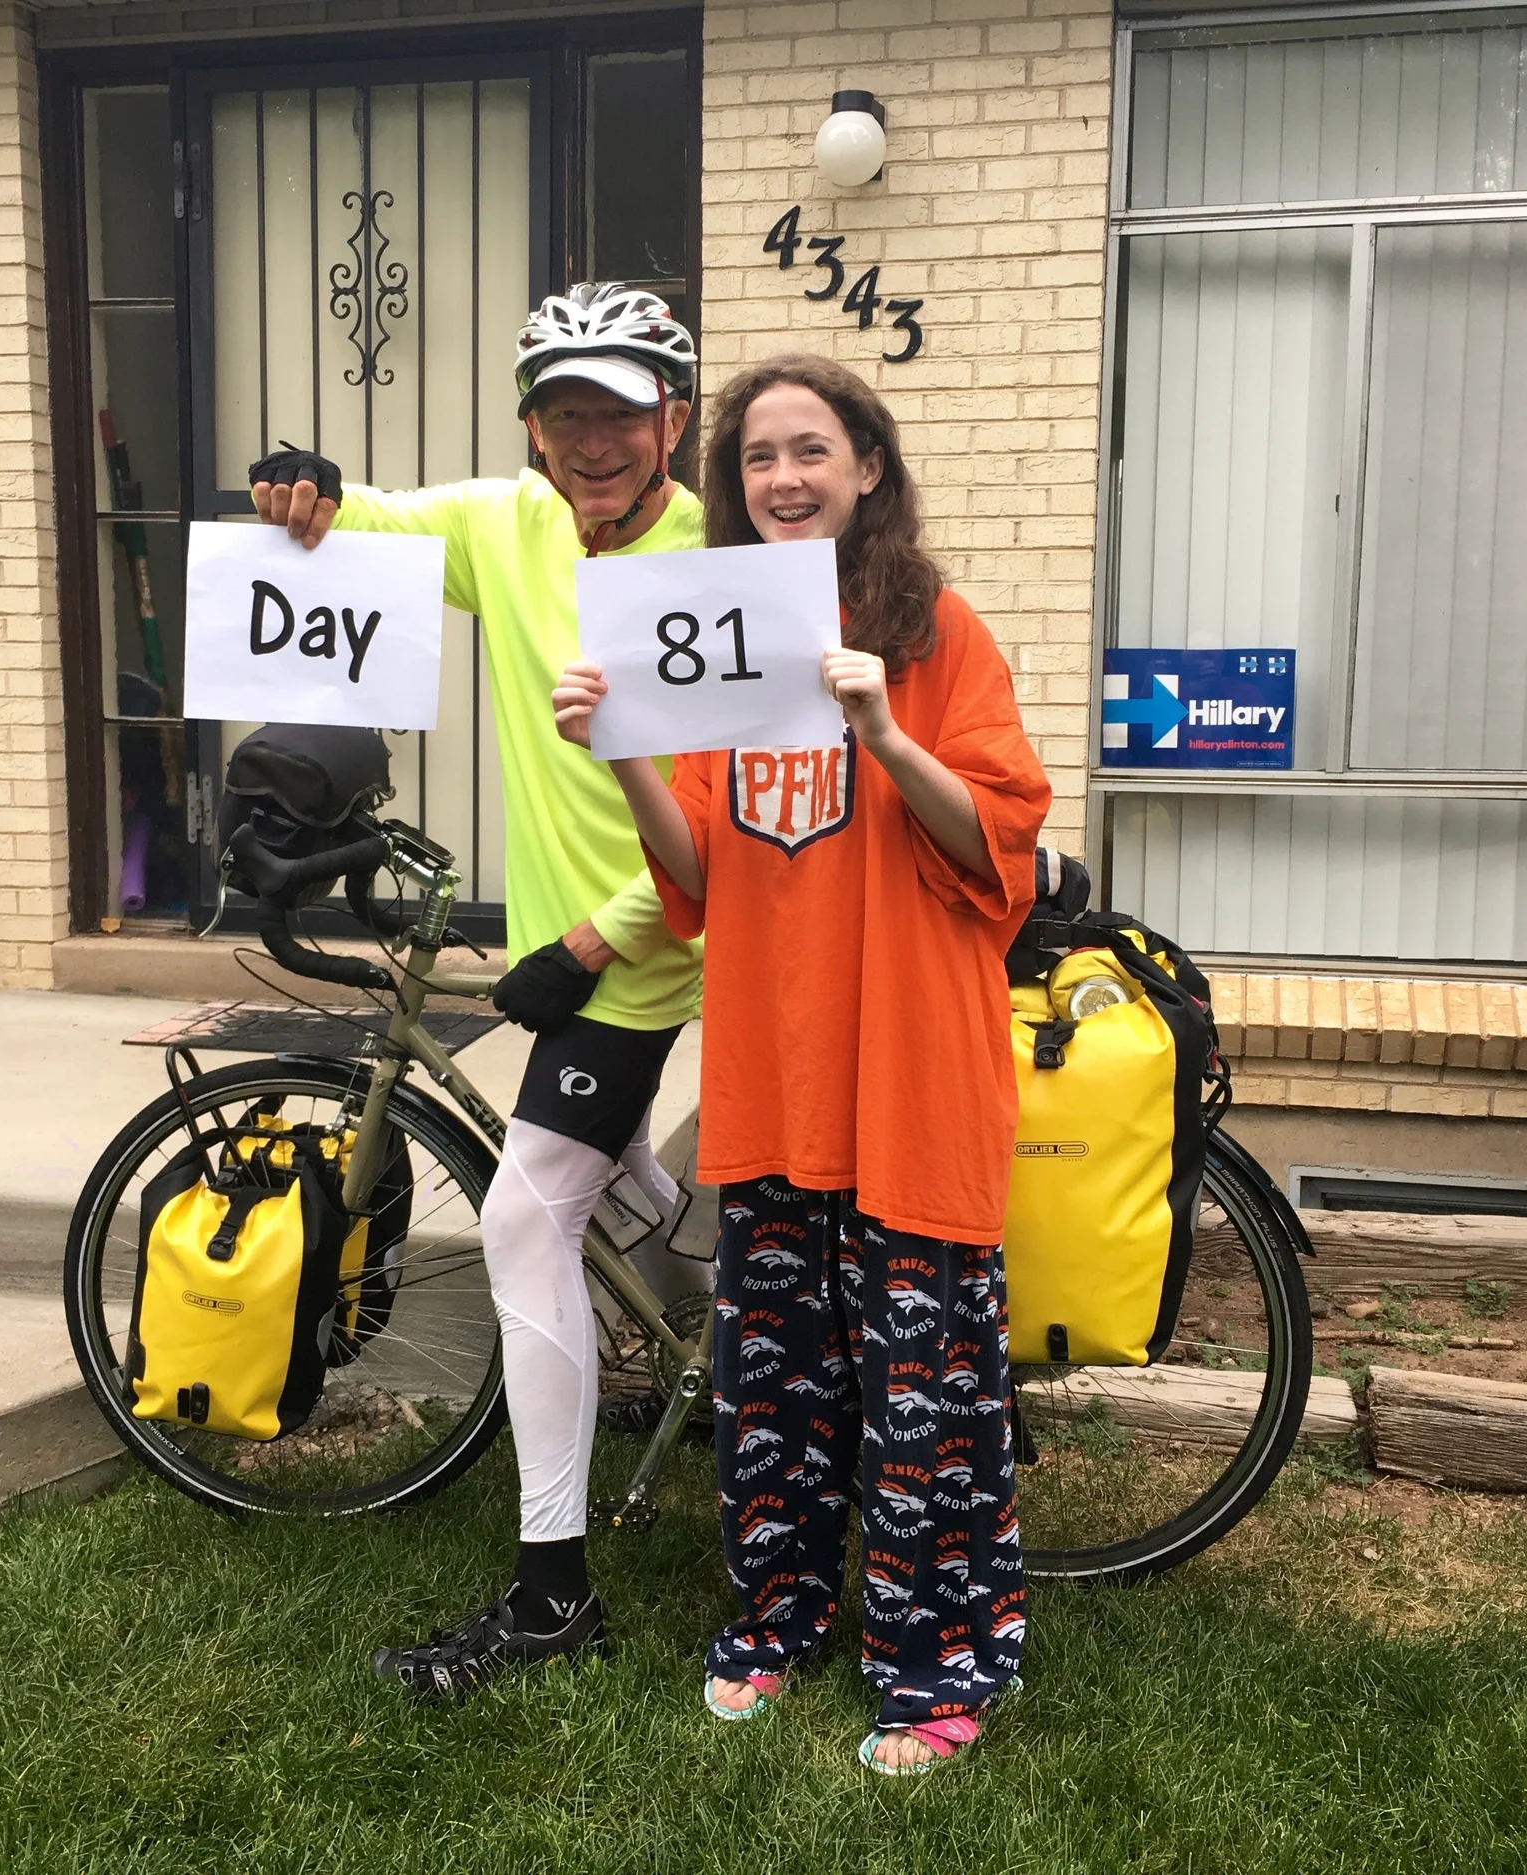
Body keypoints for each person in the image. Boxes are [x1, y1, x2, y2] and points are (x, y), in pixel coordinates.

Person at [551, 354, 1050, 1774]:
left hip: (909, 1082)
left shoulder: (936, 629)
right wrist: (620, 752)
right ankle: (778, 1615)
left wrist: (884, 728)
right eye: (758, 455)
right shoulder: (710, 628)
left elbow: (992, 851)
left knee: (922, 1391)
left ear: (868, 466)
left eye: (810, 449)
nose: (782, 476)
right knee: (773, 1383)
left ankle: (939, 1657)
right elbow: (698, 868)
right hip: (774, 1083)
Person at [248, 283, 703, 1700]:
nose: (595, 438)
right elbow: (366, 521)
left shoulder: (717, 552)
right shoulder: (507, 525)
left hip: (667, 941)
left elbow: (727, 809)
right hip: (593, 946)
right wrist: (303, 492)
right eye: (568, 410)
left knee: (520, 1214)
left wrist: (587, 947)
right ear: (533, 427)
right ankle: (728, 1361)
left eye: (623, 409)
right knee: (612, 1190)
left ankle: (553, 1593)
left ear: (673, 420)